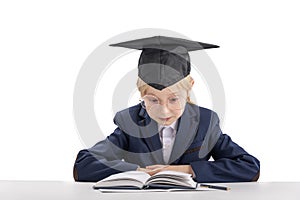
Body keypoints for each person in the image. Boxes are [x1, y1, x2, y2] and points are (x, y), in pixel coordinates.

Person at [73, 36, 260, 183]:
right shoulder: (131, 121)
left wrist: (187, 169)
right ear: (140, 93)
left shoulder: (205, 122)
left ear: (189, 89)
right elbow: (84, 164)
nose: (164, 111)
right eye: (152, 100)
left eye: (174, 99)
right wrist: (137, 172)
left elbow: (249, 166)